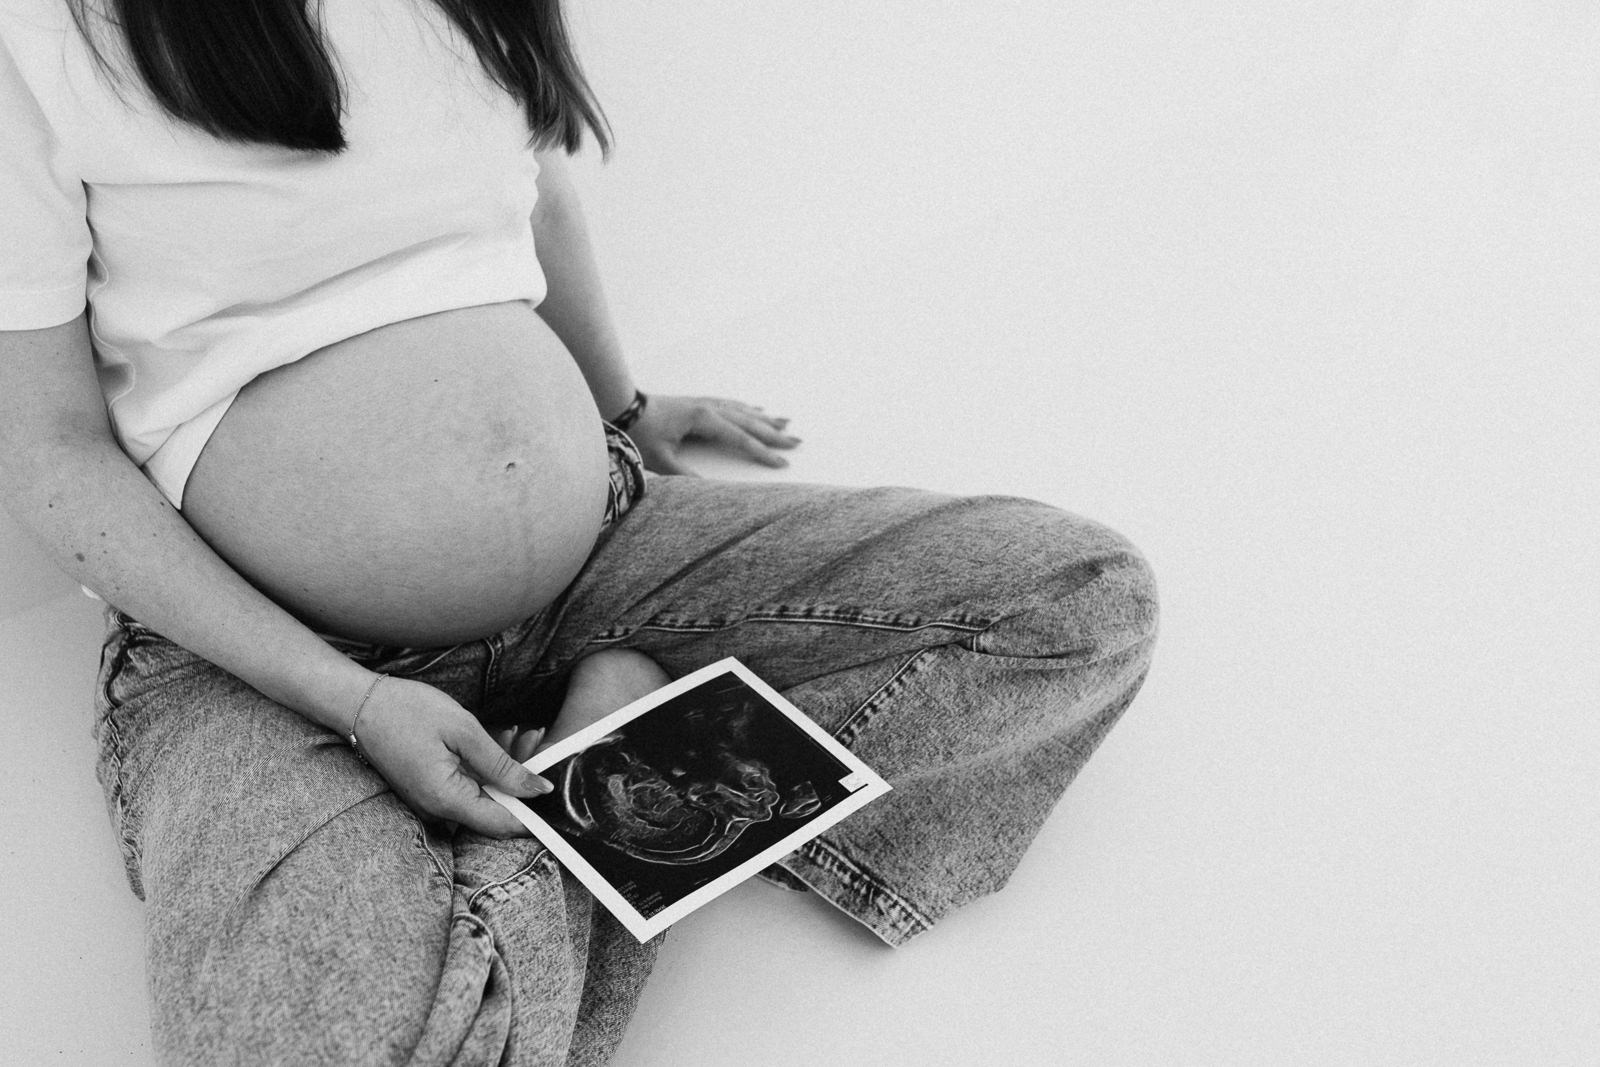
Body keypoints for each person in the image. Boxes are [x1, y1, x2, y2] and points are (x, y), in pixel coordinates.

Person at [0, 0, 1160, 1062]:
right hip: (261, 653)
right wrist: (353, 700)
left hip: (599, 555)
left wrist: (623, 408)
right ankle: (626, 773)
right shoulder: (36, 38)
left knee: (1073, 602)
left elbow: (534, 189)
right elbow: (52, 453)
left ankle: (583, 796)